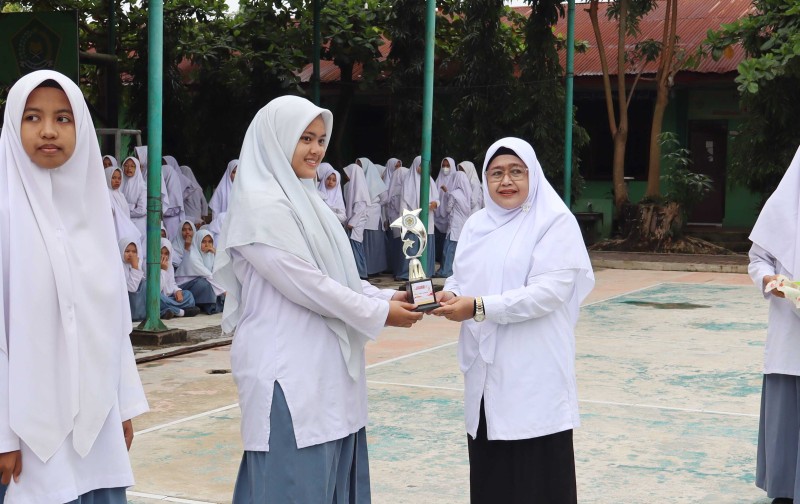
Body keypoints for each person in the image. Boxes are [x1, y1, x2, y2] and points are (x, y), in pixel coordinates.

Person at [211, 95, 422, 503]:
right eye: (305, 138)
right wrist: (380, 312)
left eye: (321, 140)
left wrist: (391, 295)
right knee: (292, 483)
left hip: (328, 369)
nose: (316, 150)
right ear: (277, 138)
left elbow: (339, 277)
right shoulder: (259, 207)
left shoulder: (311, 202)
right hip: (288, 372)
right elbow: (308, 284)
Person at [0, 69, 149, 502]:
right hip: (28, 432)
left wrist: (122, 404)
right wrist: (4, 435)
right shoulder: (6, 215)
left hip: (96, 422)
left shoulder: (94, 213)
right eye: (33, 117)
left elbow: (112, 321)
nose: (48, 130)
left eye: (63, 118)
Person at [431, 138, 594, 503]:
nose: (506, 181)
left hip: (533, 371)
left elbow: (548, 293)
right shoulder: (476, 224)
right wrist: (451, 294)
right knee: (493, 478)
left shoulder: (554, 223)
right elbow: (461, 276)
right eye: (496, 173)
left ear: (532, 174)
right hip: (485, 373)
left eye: (516, 172)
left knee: (537, 479)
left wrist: (478, 307)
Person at [749, 145, 800, 504]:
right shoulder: (782, 208)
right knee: (785, 414)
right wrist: (769, 280)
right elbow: (758, 259)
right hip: (789, 332)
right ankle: (784, 489)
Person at [399, 156, 439, 279]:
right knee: (412, 246)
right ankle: (409, 273)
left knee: (425, 245)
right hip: (413, 219)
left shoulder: (430, 180)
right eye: (421, 165)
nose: (423, 168)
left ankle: (426, 271)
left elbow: (437, 199)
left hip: (428, 217)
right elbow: (403, 203)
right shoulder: (408, 181)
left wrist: (435, 204)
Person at [175, 229, 225, 314]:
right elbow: (208, 275)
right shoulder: (192, 256)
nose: (207, 245)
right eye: (204, 242)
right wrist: (224, 291)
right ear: (197, 241)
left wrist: (216, 253)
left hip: (199, 282)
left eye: (210, 242)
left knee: (214, 281)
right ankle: (211, 307)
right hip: (184, 286)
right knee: (206, 284)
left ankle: (213, 304)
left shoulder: (210, 254)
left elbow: (220, 271)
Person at [356, 157, 388, 276]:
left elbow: (385, 199)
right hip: (362, 215)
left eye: (360, 166)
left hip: (374, 216)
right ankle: (366, 269)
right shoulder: (359, 181)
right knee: (364, 242)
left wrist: (374, 205)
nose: (359, 169)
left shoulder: (377, 183)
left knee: (374, 243)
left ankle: (374, 269)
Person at [437, 170, 471, 278]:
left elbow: (448, 209)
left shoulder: (455, 194)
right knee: (457, 250)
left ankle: (445, 271)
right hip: (463, 225)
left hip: (454, 226)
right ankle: (454, 271)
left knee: (448, 250)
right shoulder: (467, 194)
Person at [159, 239, 200, 319]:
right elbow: (156, 289)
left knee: (188, 295)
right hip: (160, 298)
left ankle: (168, 311)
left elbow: (172, 283)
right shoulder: (150, 265)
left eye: (166, 253)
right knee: (156, 298)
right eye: (161, 253)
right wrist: (163, 270)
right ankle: (181, 312)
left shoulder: (169, 265)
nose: (163, 256)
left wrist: (177, 291)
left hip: (169, 298)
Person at [343, 163, 371, 279]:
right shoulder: (355, 187)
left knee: (356, 248)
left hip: (356, 225)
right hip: (355, 224)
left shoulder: (359, 190)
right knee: (355, 248)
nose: (346, 176)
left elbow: (360, 208)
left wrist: (351, 223)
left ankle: (361, 273)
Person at [106, 165, 142, 243]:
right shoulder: (106, 194)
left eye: (119, 178)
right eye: (113, 178)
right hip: (112, 230)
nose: (117, 181)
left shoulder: (120, 195)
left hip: (124, 230)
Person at [385, 160, 409, 279]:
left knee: (397, 247)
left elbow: (390, 205)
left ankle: (397, 270)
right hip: (402, 222)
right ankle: (400, 270)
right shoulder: (406, 189)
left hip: (395, 221)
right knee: (402, 248)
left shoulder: (394, 189)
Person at [434, 157, 457, 266]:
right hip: (437, 215)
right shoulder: (438, 180)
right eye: (443, 166)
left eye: (448, 166)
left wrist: (447, 191)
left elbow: (455, 197)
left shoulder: (455, 181)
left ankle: (444, 264)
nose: (445, 168)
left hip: (449, 215)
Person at [120, 156, 148, 236]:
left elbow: (141, 210)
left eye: (132, 166)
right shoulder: (119, 184)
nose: (129, 168)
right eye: (126, 165)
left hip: (137, 224)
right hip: (122, 223)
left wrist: (123, 211)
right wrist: (132, 206)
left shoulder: (142, 187)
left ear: (137, 168)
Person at [120, 238, 146, 321]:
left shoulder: (133, 264)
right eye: (127, 251)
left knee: (147, 285)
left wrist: (135, 267)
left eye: (134, 252)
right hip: (127, 305)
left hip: (135, 303)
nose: (131, 254)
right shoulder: (119, 267)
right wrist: (135, 267)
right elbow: (131, 289)